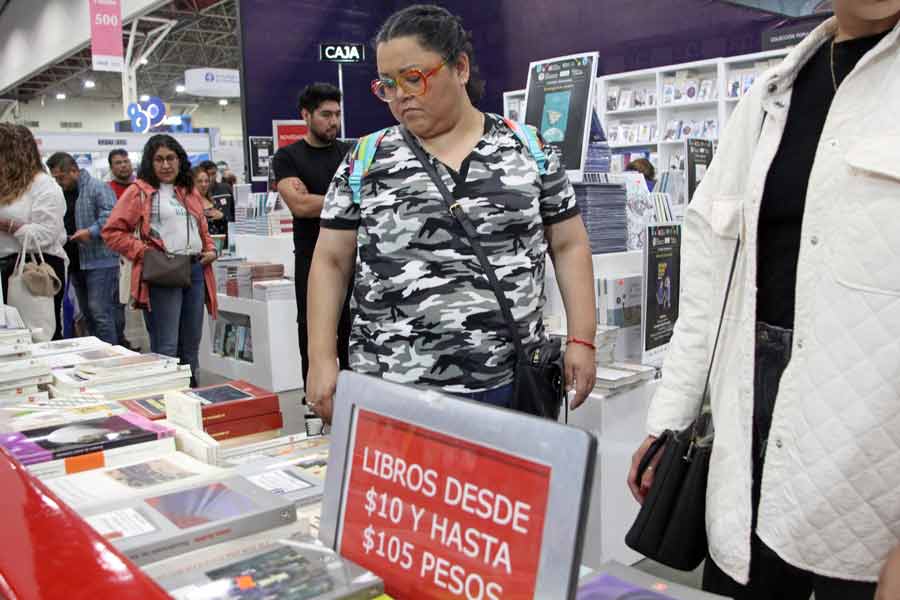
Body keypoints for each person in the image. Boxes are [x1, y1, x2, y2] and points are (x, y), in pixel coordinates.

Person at [628, 4, 900, 599]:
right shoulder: (775, 92)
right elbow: (708, 264)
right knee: (744, 572)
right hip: (748, 392)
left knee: (844, 573)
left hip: (872, 416)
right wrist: (670, 415)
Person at [305, 5, 597, 422]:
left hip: (508, 385)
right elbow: (331, 260)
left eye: (413, 78)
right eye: (387, 84)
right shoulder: (366, 159)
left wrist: (582, 339)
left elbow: (569, 245)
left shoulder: (529, 151)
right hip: (391, 387)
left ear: (459, 67)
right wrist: (321, 357)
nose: (401, 94)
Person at [103, 135, 218, 386]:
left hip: (196, 269)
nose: (166, 165)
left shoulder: (189, 191)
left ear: (180, 160)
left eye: (171, 158)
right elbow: (112, 232)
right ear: (150, 163)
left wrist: (210, 248)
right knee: (166, 344)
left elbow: (201, 228)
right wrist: (145, 253)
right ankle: (169, 400)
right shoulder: (139, 192)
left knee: (191, 343)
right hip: (164, 270)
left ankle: (192, 399)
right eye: (159, 159)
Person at [271, 82, 353, 391]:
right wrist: (349, 199)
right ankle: (315, 405)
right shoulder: (287, 158)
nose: (333, 122)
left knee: (352, 332)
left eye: (337, 114)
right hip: (311, 258)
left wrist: (323, 200)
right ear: (306, 115)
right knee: (313, 333)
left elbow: (312, 201)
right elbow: (300, 205)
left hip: (353, 257)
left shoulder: (351, 152)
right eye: (325, 114)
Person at [47, 152, 122, 345]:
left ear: (73, 170)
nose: (59, 182)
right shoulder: (61, 194)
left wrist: (91, 231)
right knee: (88, 315)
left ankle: (112, 357)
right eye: (55, 178)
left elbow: (112, 217)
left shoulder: (97, 188)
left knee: (100, 313)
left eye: (61, 177)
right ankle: (98, 356)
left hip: (100, 261)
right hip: (76, 263)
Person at [0, 124, 67, 340]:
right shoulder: (7, 186)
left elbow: (45, 235)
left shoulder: (44, 186)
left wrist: (7, 225)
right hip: (5, 269)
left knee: (38, 336)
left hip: (34, 270)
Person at [193, 166, 227, 236]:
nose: (204, 184)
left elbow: (225, 227)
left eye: (206, 181)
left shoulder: (213, 201)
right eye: (199, 181)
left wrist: (222, 216)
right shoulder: (187, 203)